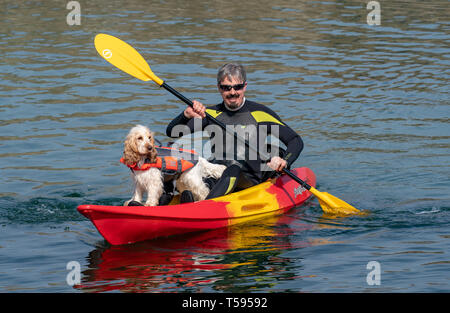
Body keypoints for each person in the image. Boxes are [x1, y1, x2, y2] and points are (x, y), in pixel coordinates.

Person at [166, 63, 303, 200]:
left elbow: (295, 140)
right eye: (226, 88)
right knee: (184, 163)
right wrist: (185, 115)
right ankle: (173, 201)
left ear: (245, 86)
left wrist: (284, 161)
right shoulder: (211, 114)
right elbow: (173, 132)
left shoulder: (260, 113)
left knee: (233, 168)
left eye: (237, 87)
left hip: (248, 180)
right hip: (218, 175)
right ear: (219, 88)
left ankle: (206, 206)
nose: (232, 92)